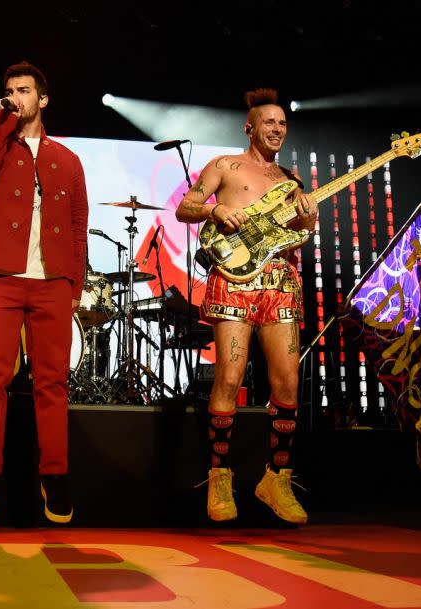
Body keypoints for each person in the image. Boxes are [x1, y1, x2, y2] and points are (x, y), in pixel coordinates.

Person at [175, 88, 317, 524]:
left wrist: (307, 219)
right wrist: (215, 213)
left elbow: (300, 234)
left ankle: (277, 477)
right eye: (269, 122)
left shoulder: (289, 181)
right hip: (234, 281)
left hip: (279, 281)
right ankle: (220, 477)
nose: (277, 129)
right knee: (230, 377)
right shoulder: (225, 166)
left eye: (282, 123)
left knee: (288, 383)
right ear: (250, 126)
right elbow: (185, 207)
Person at [0, 61, 88, 525]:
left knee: (53, 383)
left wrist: (74, 283)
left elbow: (79, 226)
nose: (16, 96)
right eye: (10, 90)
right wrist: (2, 122)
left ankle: (55, 476)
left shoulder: (68, 160)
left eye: (24, 90)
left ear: (43, 98)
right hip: (1, 276)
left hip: (52, 281)